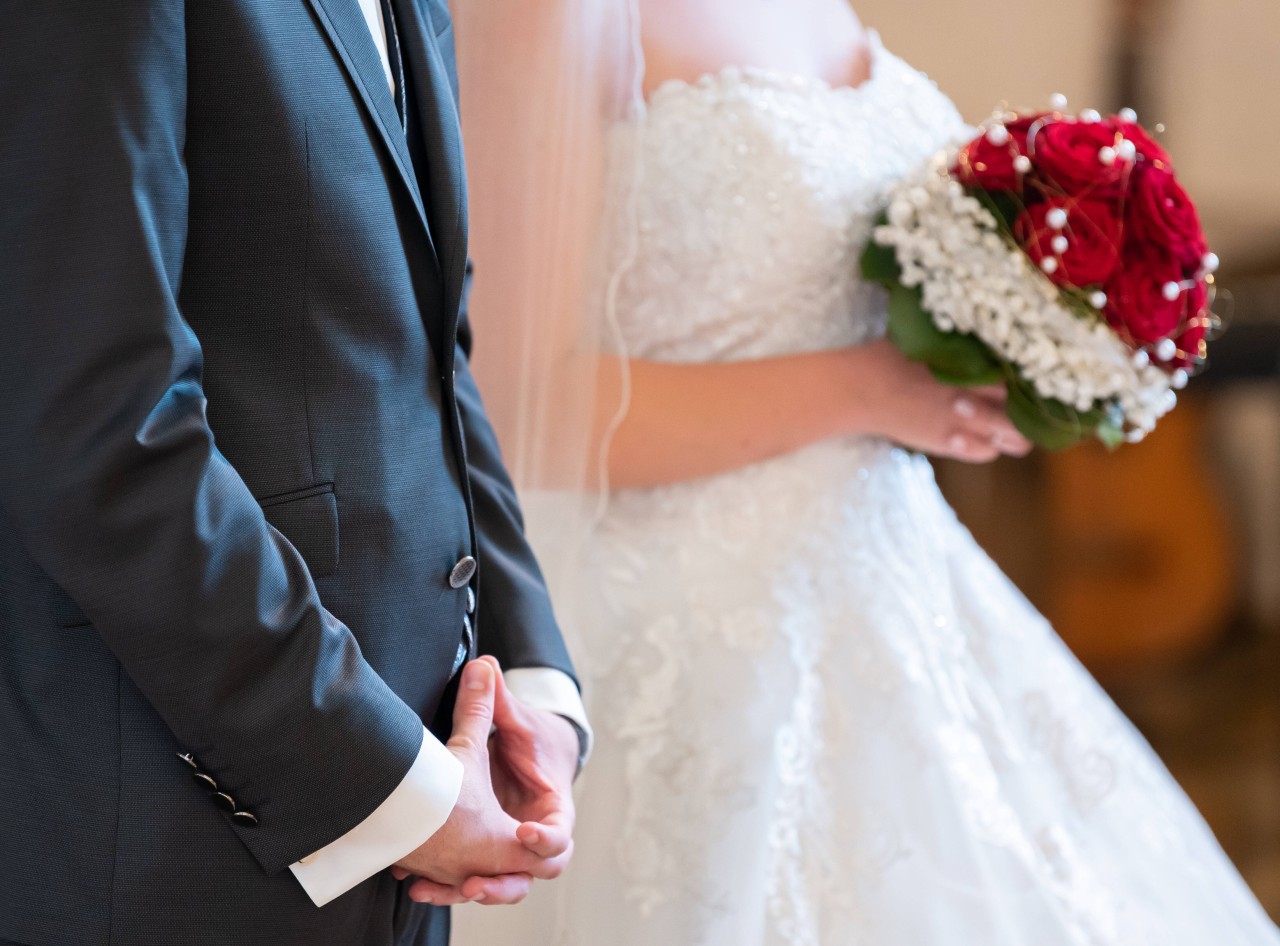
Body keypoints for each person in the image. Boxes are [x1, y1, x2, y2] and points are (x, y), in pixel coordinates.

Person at [451, 0, 1280, 942]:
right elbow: (517, 402)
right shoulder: (544, 13)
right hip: (690, 636)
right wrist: (873, 387)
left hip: (898, 588)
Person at [0, 2, 588, 944]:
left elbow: (428, 357)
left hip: (418, 805)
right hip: (175, 834)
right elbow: (100, 426)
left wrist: (532, 682)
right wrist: (384, 782)